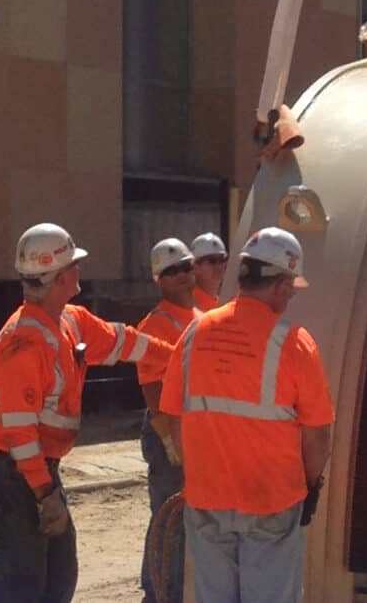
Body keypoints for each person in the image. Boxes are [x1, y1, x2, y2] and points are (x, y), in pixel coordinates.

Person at [0, 222, 175, 603]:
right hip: (10, 476)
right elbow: (19, 434)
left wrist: (178, 358)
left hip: (34, 472)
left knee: (59, 580)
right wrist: (45, 493)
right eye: (75, 264)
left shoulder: (69, 321)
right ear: (61, 277)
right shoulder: (23, 344)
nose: (80, 270)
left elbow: (124, 341)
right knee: (21, 590)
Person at [161, 227, 334, 603]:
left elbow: (175, 417)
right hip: (271, 500)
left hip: (207, 497)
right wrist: (310, 486)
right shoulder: (294, 342)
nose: (290, 295)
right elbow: (318, 432)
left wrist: (197, 474)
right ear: (281, 284)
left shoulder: (194, 333)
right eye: (290, 287)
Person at [135, 238, 199, 603]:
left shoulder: (199, 317)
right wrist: (170, 441)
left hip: (191, 431)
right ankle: (158, 594)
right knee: (168, 517)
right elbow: (153, 391)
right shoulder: (157, 323)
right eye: (172, 271)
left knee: (187, 520)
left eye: (187, 267)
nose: (183, 275)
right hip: (167, 432)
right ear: (158, 279)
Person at [189, 232, 228, 310]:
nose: (218, 266)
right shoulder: (188, 305)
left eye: (222, 260)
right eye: (212, 261)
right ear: (194, 266)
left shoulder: (224, 304)